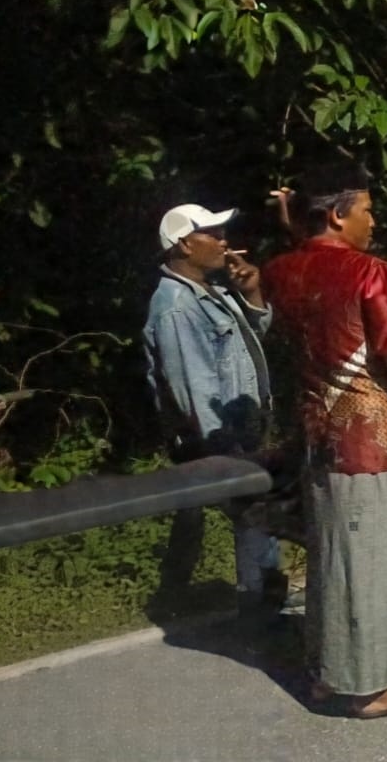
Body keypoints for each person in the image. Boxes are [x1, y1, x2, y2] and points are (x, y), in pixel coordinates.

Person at [261, 165, 387, 718]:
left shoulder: (280, 271)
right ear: (339, 213)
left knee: (333, 560)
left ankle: (331, 675)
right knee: (378, 559)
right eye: (367, 210)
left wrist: (291, 222)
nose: (373, 221)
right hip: (372, 441)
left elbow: (306, 264)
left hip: (317, 438)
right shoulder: (369, 272)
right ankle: (379, 688)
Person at [143, 203, 285, 620]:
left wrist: (253, 292)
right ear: (185, 244)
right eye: (212, 233)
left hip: (241, 429)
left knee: (256, 512)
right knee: (253, 512)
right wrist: (229, 450)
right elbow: (195, 387)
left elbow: (252, 337)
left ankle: (263, 600)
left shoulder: (213, 292)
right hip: (217, 436)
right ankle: (260, 609)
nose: (224, 241)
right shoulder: (175, 307)